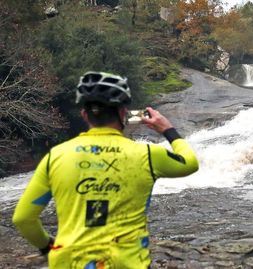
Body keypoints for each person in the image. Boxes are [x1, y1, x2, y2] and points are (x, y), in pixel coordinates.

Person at [12, 71, 199, 268]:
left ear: (84, 115)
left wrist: (48, 247)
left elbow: (23, 218)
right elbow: (190, 163)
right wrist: (167, 130)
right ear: (122, 113)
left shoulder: (56, 156)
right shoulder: (148, 154)